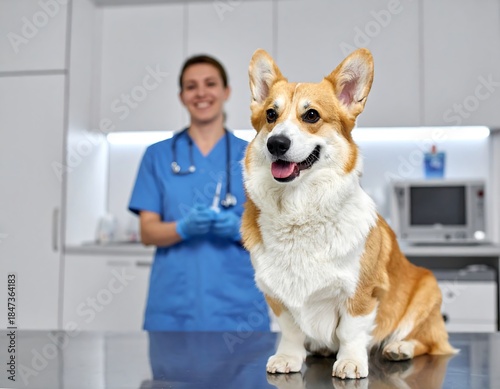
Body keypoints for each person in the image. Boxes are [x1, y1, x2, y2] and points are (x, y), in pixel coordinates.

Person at [128, 54, 270, 332]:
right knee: (171, 375)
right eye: (191, 86)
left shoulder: (255, 155)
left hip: (238, 310)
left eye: (210, 84)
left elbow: (275, 234)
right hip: (174, 308)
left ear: (226, 92)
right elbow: (147, 232)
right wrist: (183, 227)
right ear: (182, 96)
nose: (201, 93)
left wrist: (237, 229)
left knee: (245, 376)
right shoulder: (157, 156)